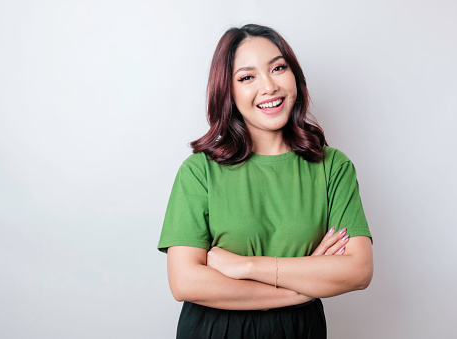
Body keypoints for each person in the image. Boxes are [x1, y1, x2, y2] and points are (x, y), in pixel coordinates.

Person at [158, 24, 373, 339]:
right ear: (228, 92)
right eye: (247, 77)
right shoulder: (199, 171)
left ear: (294, 76)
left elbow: (358, 270)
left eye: (278, 68)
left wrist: (245, 267)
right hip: (214, 331)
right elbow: (185, 282)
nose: (269, 86)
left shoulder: (332, 167)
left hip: (299, 331)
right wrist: (299, 290)